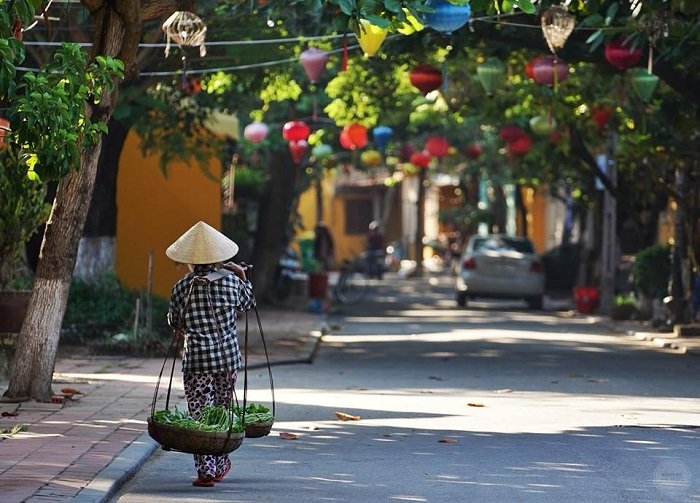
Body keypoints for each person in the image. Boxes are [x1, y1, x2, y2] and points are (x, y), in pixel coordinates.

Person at [166, 221, 256, 487]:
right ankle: (220, 461)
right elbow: (248, 304)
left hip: (196, 361)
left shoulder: (181, 287)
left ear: (190, 261)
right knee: (222, 410)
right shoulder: (230, 282)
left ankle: (206, 471)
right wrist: (242, 276)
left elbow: (175, 323)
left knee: (200, 414)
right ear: (217, 257)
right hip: (227, 359)